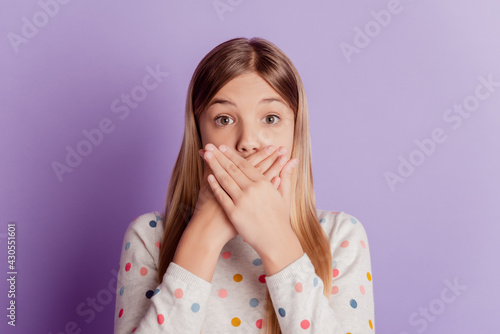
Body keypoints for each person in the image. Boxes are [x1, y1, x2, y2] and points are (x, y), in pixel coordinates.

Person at [113, 37, 375, 333]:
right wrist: (205, 235)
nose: (248, 141)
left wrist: (278, 241)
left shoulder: (340, 237)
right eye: (224, 119)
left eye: (271, 118)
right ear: (200, 135)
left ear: (295, 133)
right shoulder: (149, 238)